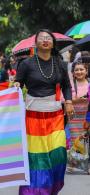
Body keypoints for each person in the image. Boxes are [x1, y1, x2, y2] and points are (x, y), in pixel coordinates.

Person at [14, 29, 73, 194]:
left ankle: (52, 188)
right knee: (37, 157)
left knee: (58, 154)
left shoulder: (60, 63)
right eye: (42, 38)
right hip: (33, 116)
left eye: (49, 38)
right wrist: (17, 85)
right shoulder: (26, 64)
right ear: (36, 43)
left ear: (53, 43)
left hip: (55, 116)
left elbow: (67, 86)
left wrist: (68, 101)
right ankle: (35, 191)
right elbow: (18, 83)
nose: (45, 40)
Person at [65, 60, 89, 173]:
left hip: (87, 116)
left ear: (86, 71)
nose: (79, 72)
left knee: (87, 141)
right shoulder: (70, 85)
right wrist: (77, 100)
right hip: (73, 118)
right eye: (76, 70)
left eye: (81, 69)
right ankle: (74, 163)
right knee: (75, 141)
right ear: (73, 73)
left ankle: (87, 165)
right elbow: (64, 100)